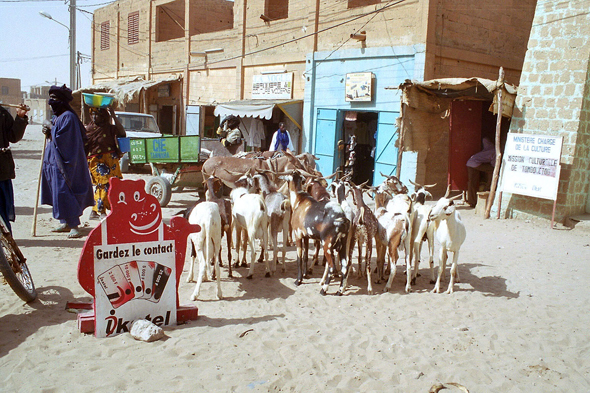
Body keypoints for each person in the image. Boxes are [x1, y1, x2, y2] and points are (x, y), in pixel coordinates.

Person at [41, 85, 94, 238]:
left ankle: (74, 225)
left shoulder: (68, 117)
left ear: (62, 101)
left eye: (55, 98)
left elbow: (65, 140)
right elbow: (53, 136)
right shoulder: (57, 117)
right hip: (53, 162)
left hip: (66, 164)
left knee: (66, 192)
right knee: (57, 192)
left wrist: (50, 127)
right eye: (50, 98)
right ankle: (64, 222)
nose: (51, 102)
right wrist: (48, 131)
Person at [85, 107, 126, 220]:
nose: (94, 117)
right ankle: (101, 210)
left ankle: (94, 212)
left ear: (103, 116)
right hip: (95, 160)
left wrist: (113, 115)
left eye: (97, 115)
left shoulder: (110, 128)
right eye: (92, 114)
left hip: (111, 159)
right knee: (104, 183)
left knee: (114, 184)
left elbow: (122, 133)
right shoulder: (89, 129)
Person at [0, 103, 29, 233]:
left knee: (2, 210)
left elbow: (13, 136)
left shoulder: (2, 113)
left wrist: (20, 117)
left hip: (1, 170)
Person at [466, 136, 496, 208]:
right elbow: (494, 165)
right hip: (475, 163)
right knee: (492, 171)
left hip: (469, 163)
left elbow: (484, 139)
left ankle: (472, 202)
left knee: (472, 182)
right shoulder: (495, 151)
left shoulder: (488, 146)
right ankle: (487, 188)